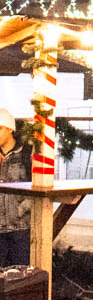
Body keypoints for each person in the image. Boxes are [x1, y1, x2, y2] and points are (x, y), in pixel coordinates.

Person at [0, 110, 30, 265]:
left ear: (10, 129)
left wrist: (23, 208)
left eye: (0, 129)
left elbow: (34, 183)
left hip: (20, 227)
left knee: (20, 276)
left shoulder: (25, 153)